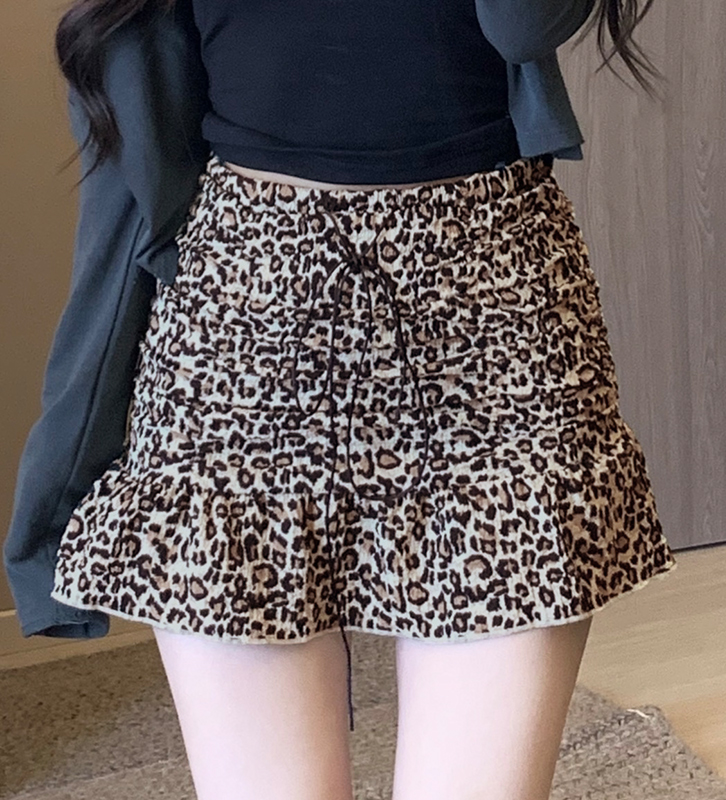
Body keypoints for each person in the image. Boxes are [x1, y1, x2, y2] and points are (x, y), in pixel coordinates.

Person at [6, 1, 678, 799]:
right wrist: (62, 471)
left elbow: (523, 26)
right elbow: (129, 168)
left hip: (491, 318)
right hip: (246, 330)